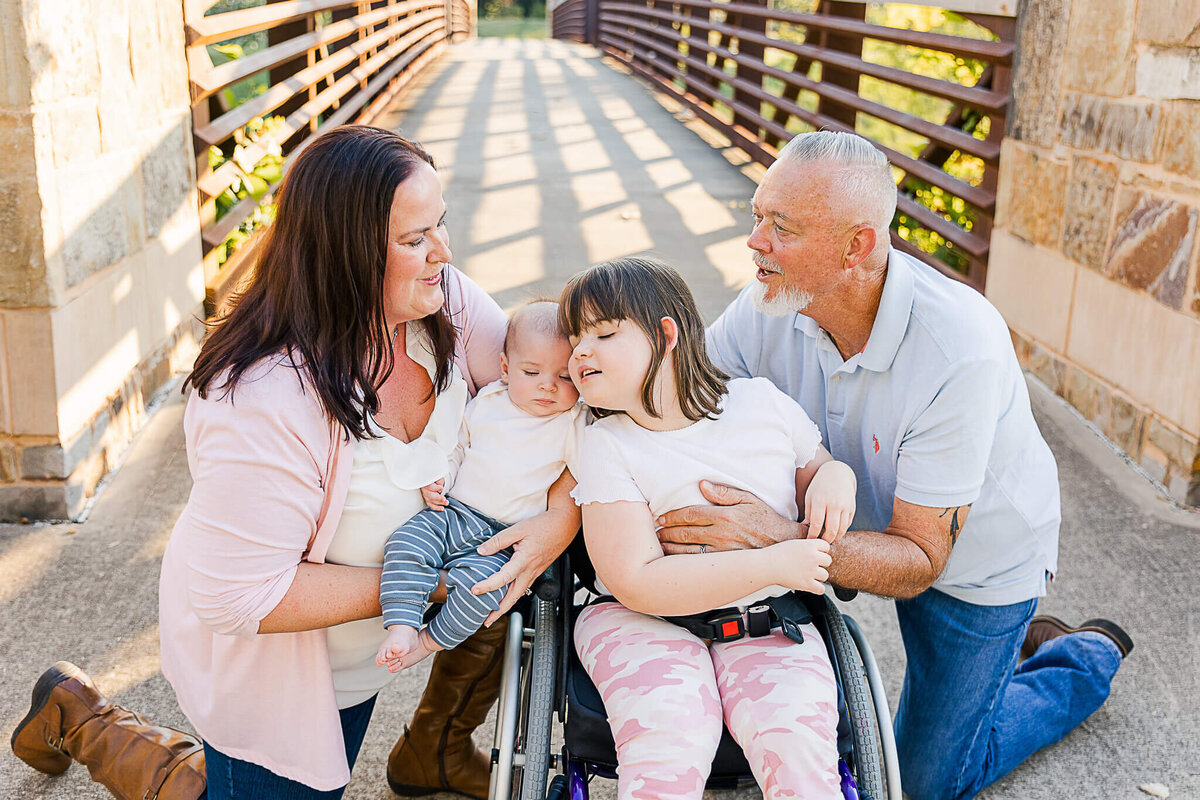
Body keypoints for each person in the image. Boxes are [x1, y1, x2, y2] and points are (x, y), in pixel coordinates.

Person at [10, 125, 579, 800]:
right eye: (414, 239)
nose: (444, 253)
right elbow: (236, 596)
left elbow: (554, 405)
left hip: (379, 644)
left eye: (440, 225)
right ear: (347, 253)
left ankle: (435, 746)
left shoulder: (441, 301)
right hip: (285, 670)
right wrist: (421, 584)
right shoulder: (259, 397)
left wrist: (557, 522)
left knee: (518, 564)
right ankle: (82, 718)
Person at [656, 130, 1133, 800]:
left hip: (971, 564)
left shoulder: (958, 347)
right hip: (850, 524)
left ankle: (1080, 658)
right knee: (848, 733)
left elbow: (917, 559)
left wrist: (773, 535)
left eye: (781, 227)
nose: (755, 242)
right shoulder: (769, 303)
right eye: (757, 217)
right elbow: (684, 400)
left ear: (859, 246)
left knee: (927, 784)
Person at [563, 256, 856, 800]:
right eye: (573, 337)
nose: (579, 351)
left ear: (666, 335)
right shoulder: (606, 443)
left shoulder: (760, 404)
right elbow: (636, 580)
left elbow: (818, 469)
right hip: (640, 620)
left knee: (800, 752)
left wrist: (837, 478)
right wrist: (768, 564)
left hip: (766, 621)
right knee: (669, 740)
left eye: (602, 333)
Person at [377, 300, 586, 672]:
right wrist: (441, 479)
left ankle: (429, 640)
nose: (548, 386)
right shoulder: (489, 400)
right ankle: (403, 624)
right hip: (452, 513)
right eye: (532, 371)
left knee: (482, 595)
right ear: (506, 368)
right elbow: (459, 445)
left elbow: (589, 471)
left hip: (503, 539)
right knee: (404, 543)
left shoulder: (570, 422)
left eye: (565, 377)